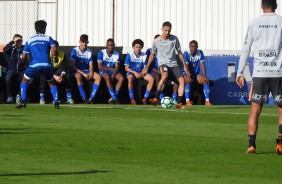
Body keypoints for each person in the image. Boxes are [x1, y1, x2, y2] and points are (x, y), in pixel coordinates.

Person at [236, 0, 282, 154]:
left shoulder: (254, 23)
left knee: (255, 110)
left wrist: (240, 72)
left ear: (261, 6)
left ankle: (251, 145)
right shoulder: (281, 22)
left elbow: (246, 49)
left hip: (260, 73)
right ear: (276, 6)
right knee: (281, 109)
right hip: (278, 72)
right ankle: (280, 137)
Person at [144, 21, 191, 109]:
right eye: (165, 30)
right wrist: (147, 67)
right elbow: (152, 54)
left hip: (173, 64)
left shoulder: (174, 39)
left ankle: (179, 104)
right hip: (163, 63)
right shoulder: (156, 41)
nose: (167, 33)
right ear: (162, 29)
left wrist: (184, 65)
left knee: (182, 81)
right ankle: (155, 99)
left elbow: (179, 52)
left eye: (169, 31)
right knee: (164, 76)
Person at [16, 20, 59, 109]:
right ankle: (56, 101)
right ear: (44, 29)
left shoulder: (30, 39)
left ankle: (23, 101)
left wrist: (27, 65)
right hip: (47, 64)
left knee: (24, 80)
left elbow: (23, 57)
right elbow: (54, 49)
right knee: (51, 82)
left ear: (35, 29)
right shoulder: (48, 38)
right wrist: (54, 57)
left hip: (34, 64)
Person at [146, 34, 179, 105]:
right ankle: (160, 97)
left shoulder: (166, 51)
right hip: (157, 71)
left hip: (168, 69)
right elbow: (150, 65)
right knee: (160, 77)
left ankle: (174, 99)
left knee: (177, 80)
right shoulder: (150, 52)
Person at [39, 40, 74, 104]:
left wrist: (61, 76)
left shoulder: (62, 54)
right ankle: (42, 98)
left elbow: (64, 67)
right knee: (43, 76)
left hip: (57, 71)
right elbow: (46, 69)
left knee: (67, 76)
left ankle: (69, 97)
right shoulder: (46, 54)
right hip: (47, 70)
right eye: (53, 47)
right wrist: (55, 77)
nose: (55, 48)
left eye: (56, 47)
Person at [69, 34, 101, 104]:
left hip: (85, 70)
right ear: (79, 42)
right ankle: (84, 98)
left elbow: (91, 66)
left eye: (86, 42)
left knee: (98, 77)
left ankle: (91, 98)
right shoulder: (74, 50)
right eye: (83, 42)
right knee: (78, 76)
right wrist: (84, 74)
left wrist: (91, 72)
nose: (84, 44)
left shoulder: (89, 52)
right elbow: (72, 65)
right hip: (76, 70)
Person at [124, 39, 154, 105]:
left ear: (141, 48)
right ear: (133, 47)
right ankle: (132, 99)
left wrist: (142, 72)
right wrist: (135, 73)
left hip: (141, 72)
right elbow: (126, 68)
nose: (137, 49)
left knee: (151, 79)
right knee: (130, 78)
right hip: (132, 72)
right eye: (136, 47)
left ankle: (145, 98)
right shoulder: (129, 55)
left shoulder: (144, 55)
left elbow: (145, 67)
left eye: (139, 47)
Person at [3, 34, 30, 104]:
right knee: (8, 77)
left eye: (20, 40)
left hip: (22, 69)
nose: (18, 42)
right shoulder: (11, 49)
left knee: (30, 78)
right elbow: (4, 49)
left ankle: (19, 95)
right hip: (12, 69)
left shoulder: (25, 49)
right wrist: (12, 41)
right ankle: (10, 97)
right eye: (17, 41)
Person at [183, 40, 212, 106]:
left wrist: (205, 76)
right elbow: (186, 67)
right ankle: (187, 101)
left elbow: (202, 65)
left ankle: (207, 101)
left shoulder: (200, 52)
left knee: (205, 81)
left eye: (195, 46)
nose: (193, 48)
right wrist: (188, 76)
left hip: (195, 74)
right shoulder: (186, 53)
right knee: (188, 81)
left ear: (197, 47)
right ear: (189, 47)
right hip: (186, 73)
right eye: (192, 46)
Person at [97, 38, 124, 104]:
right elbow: (100, 66)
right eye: (109, 45)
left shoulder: (116, 54)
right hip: (103, 70)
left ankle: (112, 98)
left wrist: (114, 74)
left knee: (121, 78)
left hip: (113, 71)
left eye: (112, 45)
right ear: (106, 45)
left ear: (114, 45)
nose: (111, 47)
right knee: (107, 77)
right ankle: (114, 98)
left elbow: (117, 66)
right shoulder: (101, 52)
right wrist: (112, 69)